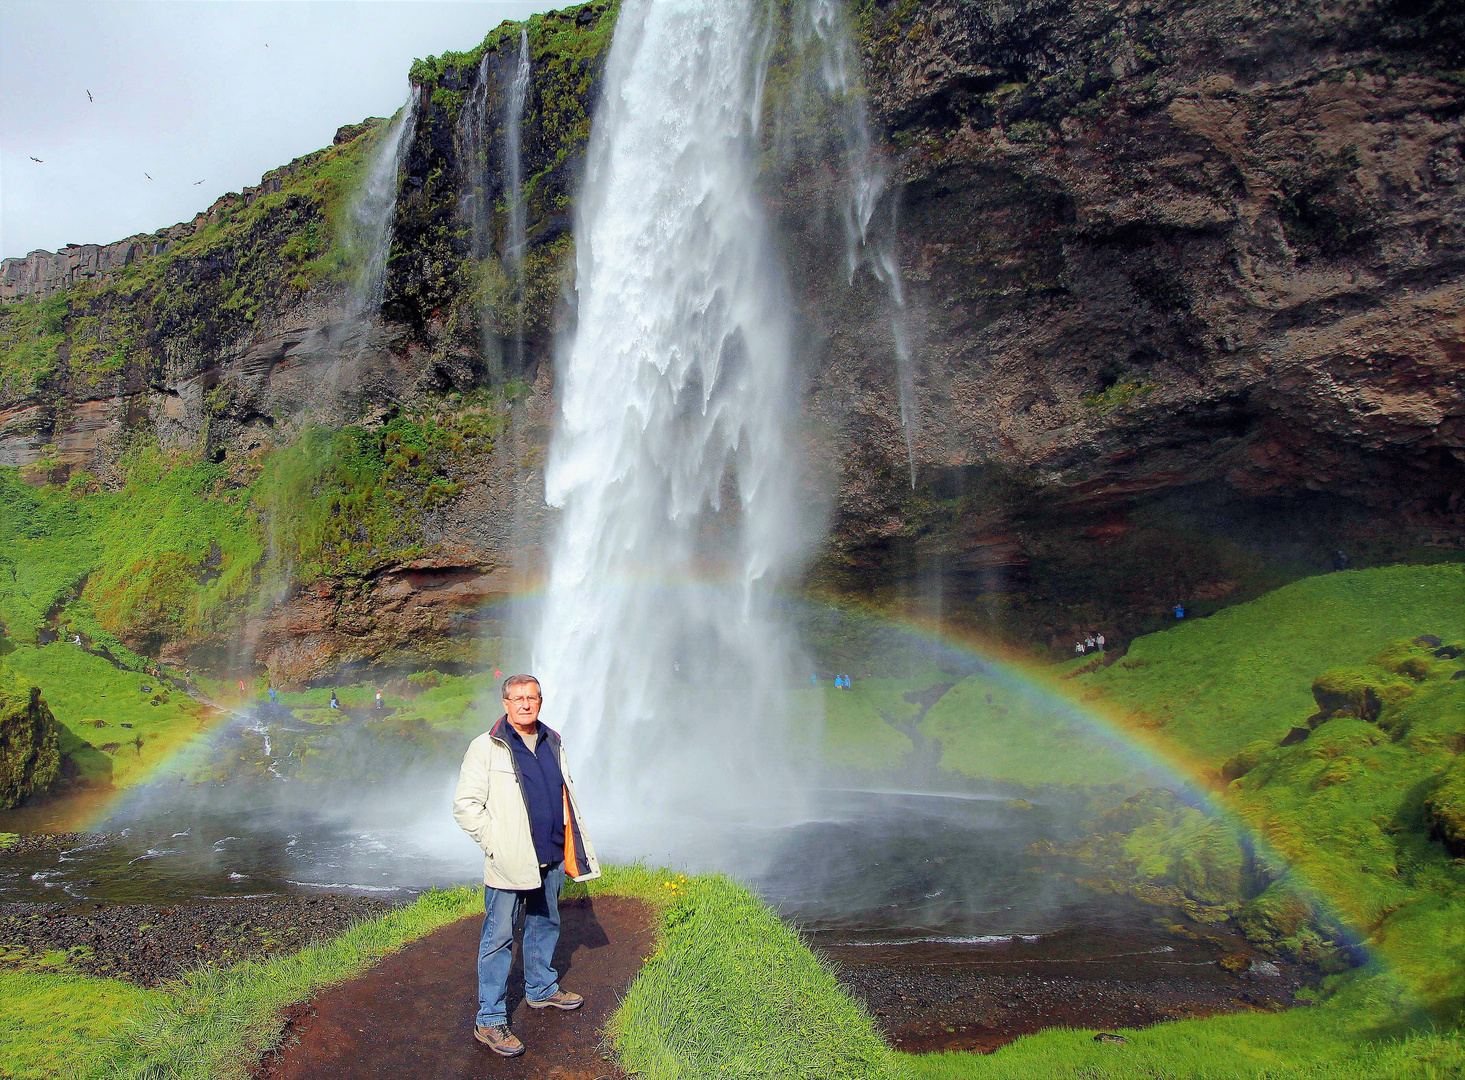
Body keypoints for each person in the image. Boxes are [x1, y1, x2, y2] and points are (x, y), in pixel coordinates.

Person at [453, 674, 600, 1057]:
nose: (525, 704)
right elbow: (466, 805)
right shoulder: (486, 746)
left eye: (531, 697)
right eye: (517, 698)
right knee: (499, 937)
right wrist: (494, 844)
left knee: (545, 922)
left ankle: (540, 989)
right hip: (508, 860)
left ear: (540, 701)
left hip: (550, 855)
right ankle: (489, 1018)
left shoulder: (553, 740)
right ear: (505, 703)